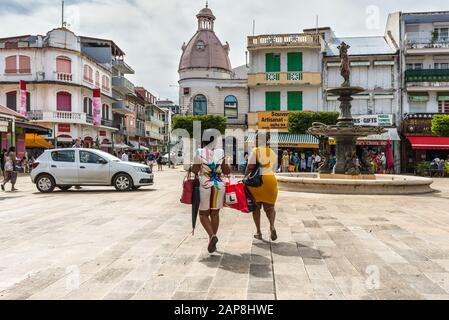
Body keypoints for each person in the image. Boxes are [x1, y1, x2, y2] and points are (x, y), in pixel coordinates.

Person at [191, 133, 231, 254]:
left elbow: (195, 170)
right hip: (219, 185)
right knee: (215, 213)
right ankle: (211, 239)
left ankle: (212, 236)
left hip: (205, 184)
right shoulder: (221, 152)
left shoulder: (200, 152)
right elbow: (227, 170)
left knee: (203, 214)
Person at [245, 132, 279, 241]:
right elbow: (272, 166)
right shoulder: (272, 152)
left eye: (256, 139)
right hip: (270, 181)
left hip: (257, 182)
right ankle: (272, 226)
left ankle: (258, 232)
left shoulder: (255, 151)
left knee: (256, 208)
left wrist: (244, 178)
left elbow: (250, 167)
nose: (255, 141)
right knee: (270, 208)